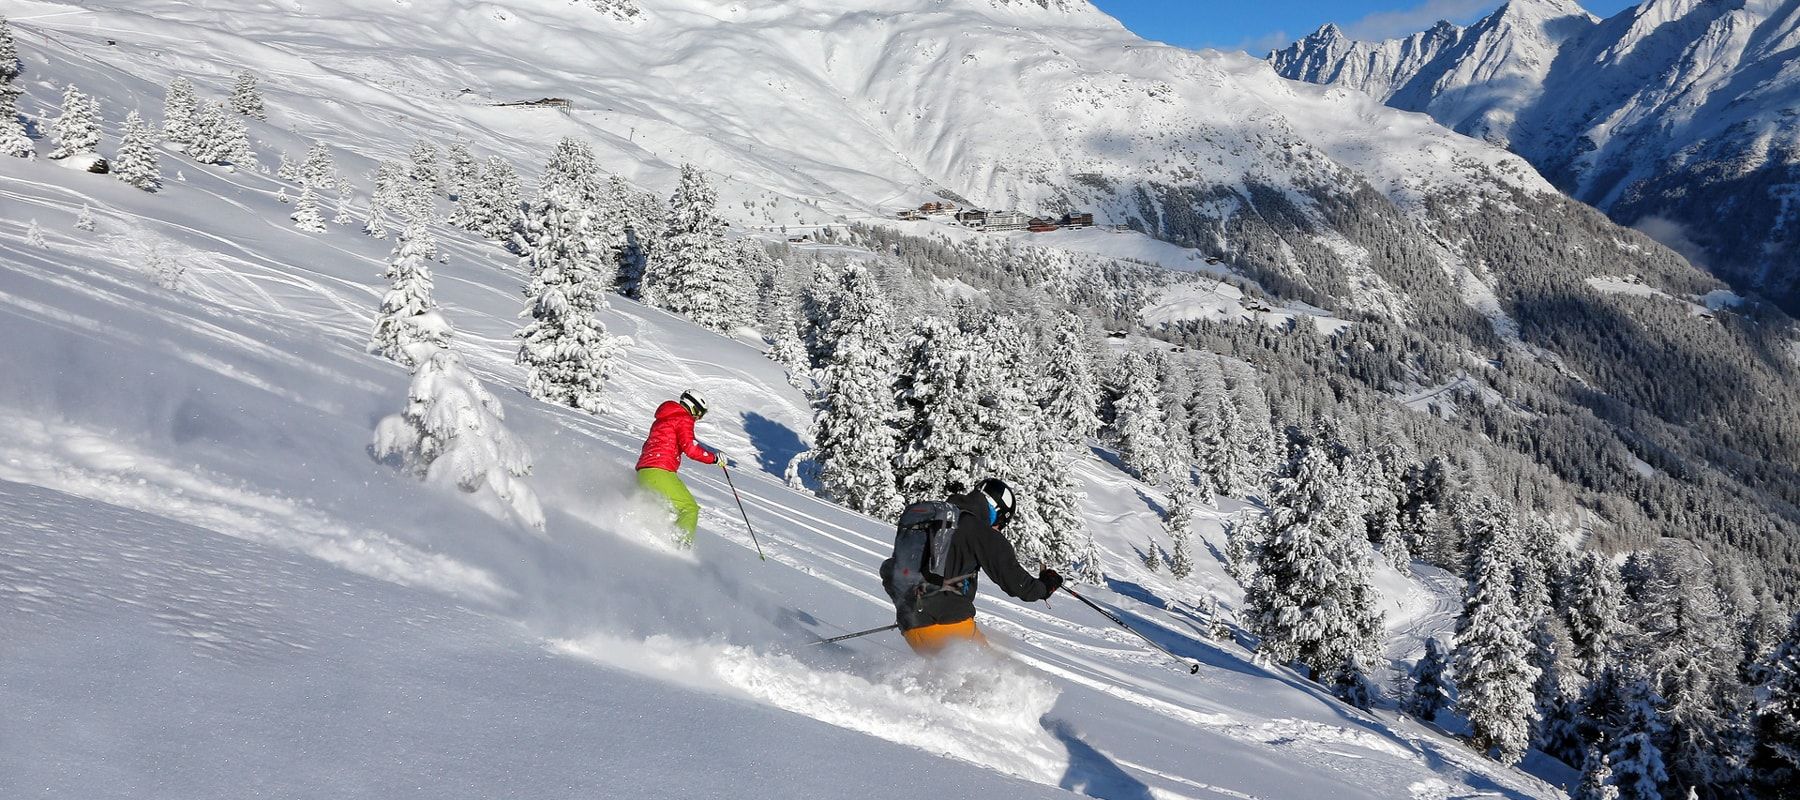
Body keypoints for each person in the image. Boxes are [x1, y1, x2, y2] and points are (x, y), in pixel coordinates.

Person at [879, 477, 1063, 654]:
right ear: (997, 511)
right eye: (1000, 524)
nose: (998, 529)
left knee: (950, 680)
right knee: (995, 678)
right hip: (948, 624)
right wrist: (1046, 586)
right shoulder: (979, 530)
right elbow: (1020, 586)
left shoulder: (938, 521)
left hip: (912, 626)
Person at [636, 390, 727, 547]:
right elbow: (691, 449)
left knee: (665, 511)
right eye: (700, 413)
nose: (698, 418)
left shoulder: (663, 419)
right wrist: (714, 458)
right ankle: (680, 547)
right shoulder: (683, 418)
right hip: (661, 471)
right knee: (689, 508)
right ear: (693, 408)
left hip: (644, 472)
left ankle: (653, 542)